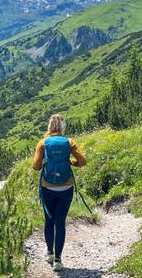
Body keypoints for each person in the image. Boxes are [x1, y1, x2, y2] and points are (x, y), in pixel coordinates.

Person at [32, 114, 87, 272]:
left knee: (49, 220)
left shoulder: (43, 142)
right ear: (62, 126)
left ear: (49, 126)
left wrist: (44, 162)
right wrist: (71, 162)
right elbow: (83, 161)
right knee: (60, 222)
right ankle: (58, 260)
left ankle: (49, 253)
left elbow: (35, 167)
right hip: (66, 187)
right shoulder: (69, 142)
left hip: (47, 187)